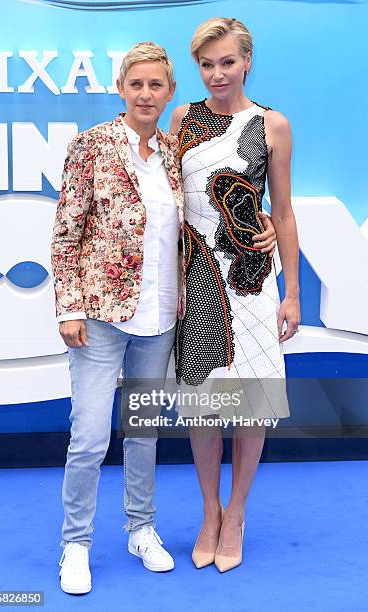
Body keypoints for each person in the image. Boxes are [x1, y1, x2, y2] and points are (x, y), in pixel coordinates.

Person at [51, 39, 277, 594]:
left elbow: (212, 200)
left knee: (144, 433)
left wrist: (262, 216)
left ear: (170, 92)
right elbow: (65, 232)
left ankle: (141, 529)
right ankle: (76, 544)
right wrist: (69, 306)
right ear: (122, 89)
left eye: (156, 85)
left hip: (162, 320)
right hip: (101, 319)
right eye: (137, 84)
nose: (146, 94)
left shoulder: (177, 153)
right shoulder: (92, 146)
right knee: (87, 438)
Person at [170, 17, 300, 572]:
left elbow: (285, 212)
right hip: (194, 279)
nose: (217, 74)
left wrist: (292, 293)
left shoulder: (272, 124)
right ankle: (209, 511)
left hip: (249, 279)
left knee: (251, 404)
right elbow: (170, 199)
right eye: (206, 64)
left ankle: (238, 512)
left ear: (247, 61)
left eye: (227, 62)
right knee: (203, 405)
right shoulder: (181, 119)